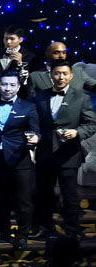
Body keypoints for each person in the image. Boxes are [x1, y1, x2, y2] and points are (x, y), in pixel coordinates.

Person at [33, 60, 96, 239]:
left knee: (70, 196)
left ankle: (72, 230)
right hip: (45, 153)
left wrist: (77, 132)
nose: (61, 77)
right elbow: (32, 120)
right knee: (43, 194)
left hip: (68, 153)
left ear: (71, 76)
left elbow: (92, 124)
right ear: (51, 75)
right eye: (57, 73)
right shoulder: (39, 96)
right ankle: (44, 228)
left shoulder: (81, 97)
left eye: (64, 73)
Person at [0, 71, 40, 250]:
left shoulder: (28, 107)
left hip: (20, 159)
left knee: (23, 200)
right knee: (0, 198)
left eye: (12, 85)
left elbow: (36, 131)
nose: (7, 88)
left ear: (18, 87)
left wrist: (35, 139)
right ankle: (2, 229)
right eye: (4, 84)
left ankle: (22, 234)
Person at [29, 41, 96, 94]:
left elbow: (93, 87)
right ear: (47, 54)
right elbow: (29, 100)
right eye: (56, 53)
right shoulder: (35, 76)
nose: (61, 56)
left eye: (64, 52)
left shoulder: (77, 71)